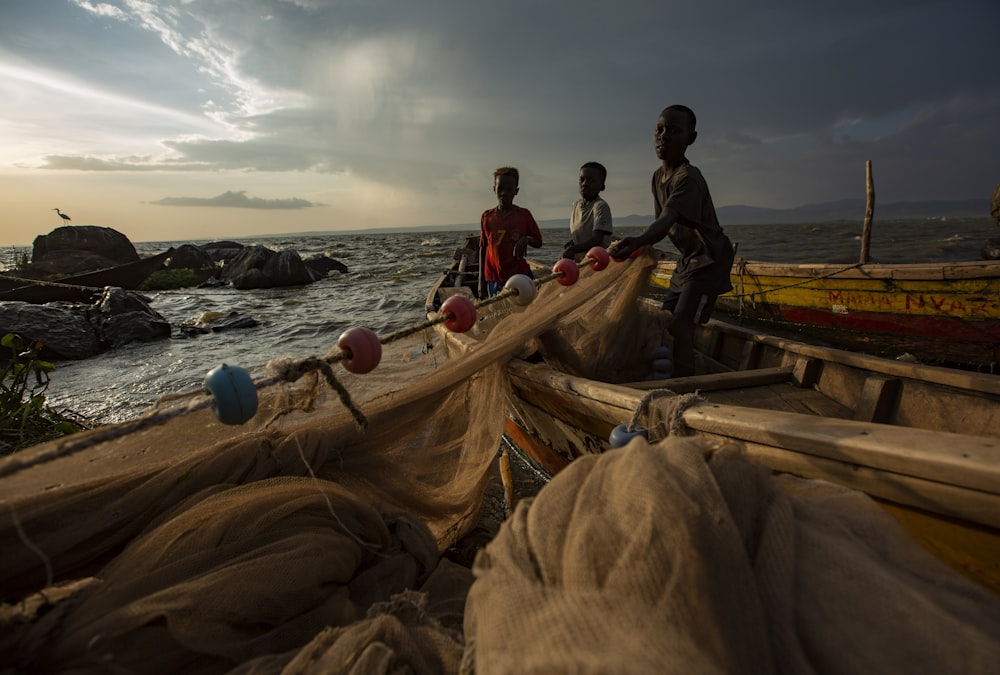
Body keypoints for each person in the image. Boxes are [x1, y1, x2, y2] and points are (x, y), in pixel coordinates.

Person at [611, 104, 735, 378]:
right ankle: (669, 371)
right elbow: (662, 225)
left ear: (690, 139)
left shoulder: (688, 178)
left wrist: (639, 240)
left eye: (674, 131)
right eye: (659, 129)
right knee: (664, 319)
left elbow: (668, 218)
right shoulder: (658, 177)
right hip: (688, 261)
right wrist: (640, 246)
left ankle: (687, 384)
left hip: (709, 260)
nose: (663, 136)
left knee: (680, 324)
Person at [479, 166, 543, 297]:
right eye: (500, 189)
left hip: (520, 274)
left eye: (509, 189)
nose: (504, 193)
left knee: (525, 310)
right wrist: (481, 281)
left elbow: (538, 242)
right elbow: (483, 248)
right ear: (494, 189)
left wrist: (526, 239)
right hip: (494, 277)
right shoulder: (487, 217)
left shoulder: (524, 215)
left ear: (516, 191)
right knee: (499, 312)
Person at [562, 162, 612, 260]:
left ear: (602, 186)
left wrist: (573, 249)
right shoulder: (575, 205)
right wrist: (574, 243)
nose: (585, 184)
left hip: (596, 259)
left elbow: (596, 239)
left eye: (591, 180)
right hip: (580, 257)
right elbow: (583, 234)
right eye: (582, 179)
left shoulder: (600, 206)